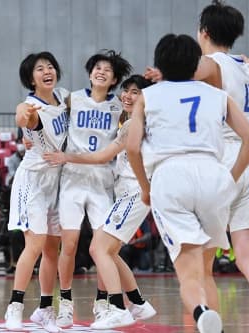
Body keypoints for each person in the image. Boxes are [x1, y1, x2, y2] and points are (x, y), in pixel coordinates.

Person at [144, 3, 249, 331]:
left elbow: (183, 75)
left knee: (202, 266)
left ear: (203, 32)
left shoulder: (208, 63)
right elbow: (232, 69)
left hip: (223, 159)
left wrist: (160, 75)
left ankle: (209, 323)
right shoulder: (242, 66)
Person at [128, 33, 249, 333]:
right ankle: (214, 325)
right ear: (195, 62)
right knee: (206, 270)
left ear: (161, 62)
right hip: (213, 175)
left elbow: (133, 147)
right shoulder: (218, 95)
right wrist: (230, 178)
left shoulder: (148, 96)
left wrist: (146, 188)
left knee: (187, 272)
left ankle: (200, 313)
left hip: (171, 176)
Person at [43, 74, 156, 329]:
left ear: (146, 97)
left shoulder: (137, 124)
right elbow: (103, 154)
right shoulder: (131, 122)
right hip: (129, 192)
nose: (127, 95)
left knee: (98, 249)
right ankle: (138, 303)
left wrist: (66, 157)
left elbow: (106, 156)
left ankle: (117, 306)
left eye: (135, 92)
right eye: (126, 90)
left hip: (135, 192)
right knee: (109, 251)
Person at [49, 50, 131, 327]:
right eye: (97, 67)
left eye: (107, 70)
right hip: (72, 179)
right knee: (69, 245)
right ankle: (65, 303)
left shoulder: (119, 106)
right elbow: (49, 120)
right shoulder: (72, 98)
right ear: (90, 72)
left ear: (114, 79)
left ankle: (103, 302)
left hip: (101, 182)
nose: (101, 72)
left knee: (103, 248)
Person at [4, 51, 69, 332]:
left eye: (51, 66)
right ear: (31, 78)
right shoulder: (31, 104)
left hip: (56, 182)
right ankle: (14, 307)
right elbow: (22, 114)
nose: (47, 70)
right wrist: (23, 117)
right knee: (35, 244)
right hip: (32, 182)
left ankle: (45, 309)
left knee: (53, 249)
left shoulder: (64, 97)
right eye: (40, 68)